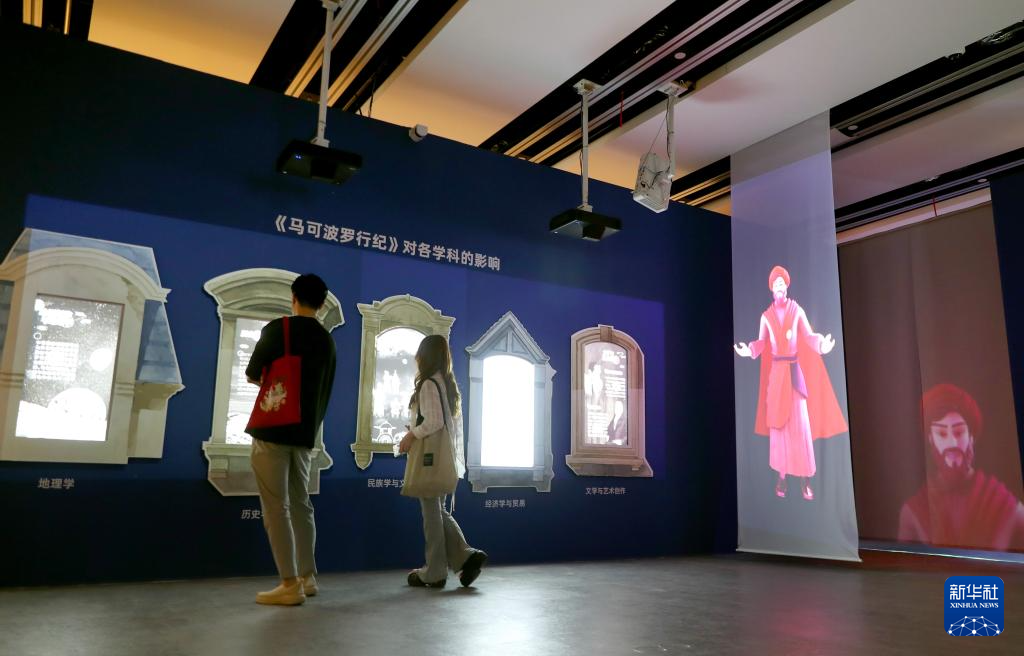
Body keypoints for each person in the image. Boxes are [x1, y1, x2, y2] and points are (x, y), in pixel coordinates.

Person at [245, 273, 336, 605]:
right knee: (301, 504)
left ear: (293, 297)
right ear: (322, 304)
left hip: (272, 429)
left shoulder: (278, 329)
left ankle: (288, 583)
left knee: (275, 507)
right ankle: (307, 577)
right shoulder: (327, 341)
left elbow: (253, 373)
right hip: (305, 434)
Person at [734, 265, 847, 501]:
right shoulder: (766, 317)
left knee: (800, 426)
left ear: (786, 286)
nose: (779, 286)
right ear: (771, 288)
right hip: (777, 376)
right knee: (779, 429)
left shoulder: (797, 311)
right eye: (775, 283)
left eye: (782, 283)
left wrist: (822, 345)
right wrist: (750, 350)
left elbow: (809, 335)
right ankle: (782, 476)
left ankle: (805, 479)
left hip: (794, 373)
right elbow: (761, 342)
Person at [398, 335, 487, 588]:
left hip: (431, 458)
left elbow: (434, 422)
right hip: (443, 456)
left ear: (424, 355)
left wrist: (411, 434)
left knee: (431, 513)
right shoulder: (444, 382)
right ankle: (466, 556)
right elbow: (441, 422)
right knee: (437, 509)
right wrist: (417, 429)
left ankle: (435, 570)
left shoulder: (428, 384)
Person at [898, 383, 1024, 550]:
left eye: (959, 432)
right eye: (942, 433)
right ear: (930, 439)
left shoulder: (1004, 503)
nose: (953, 443)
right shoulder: (913, 511)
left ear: (971, 436)